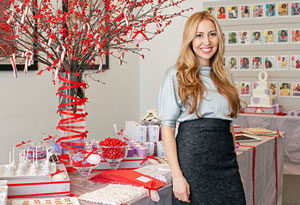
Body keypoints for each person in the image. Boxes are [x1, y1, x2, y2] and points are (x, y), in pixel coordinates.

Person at [158, 11, 245, 204]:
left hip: (226, 165)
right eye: (199, 35)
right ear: (190, 39)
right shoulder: (176, 75)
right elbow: (167, 128)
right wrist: (178, 177)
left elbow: (228, 128)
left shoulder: (226, 77)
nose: (207, 41)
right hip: (193, 165)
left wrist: (235, 171)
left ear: (219, 38)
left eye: (212, 34)